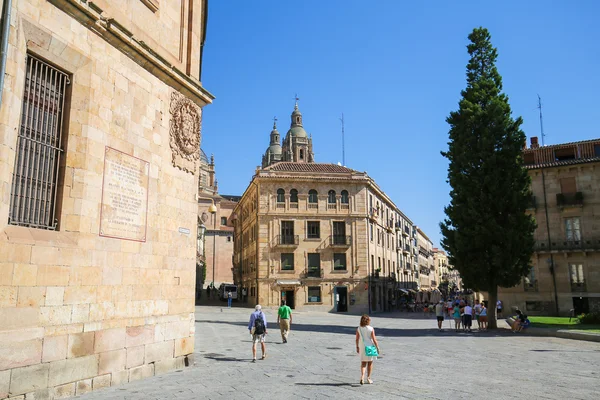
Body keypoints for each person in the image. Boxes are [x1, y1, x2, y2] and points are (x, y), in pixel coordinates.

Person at [355, 314, 380, 385]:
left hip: (362, 346)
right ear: (368, 321)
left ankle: (362, 377)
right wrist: (377, 347)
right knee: (370, 362)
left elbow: (357, 339)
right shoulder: (371, 328)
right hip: (370, 346)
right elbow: (374, 339)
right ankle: (368, 378)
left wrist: (357, 346)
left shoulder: (359, 328)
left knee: (363, 362)